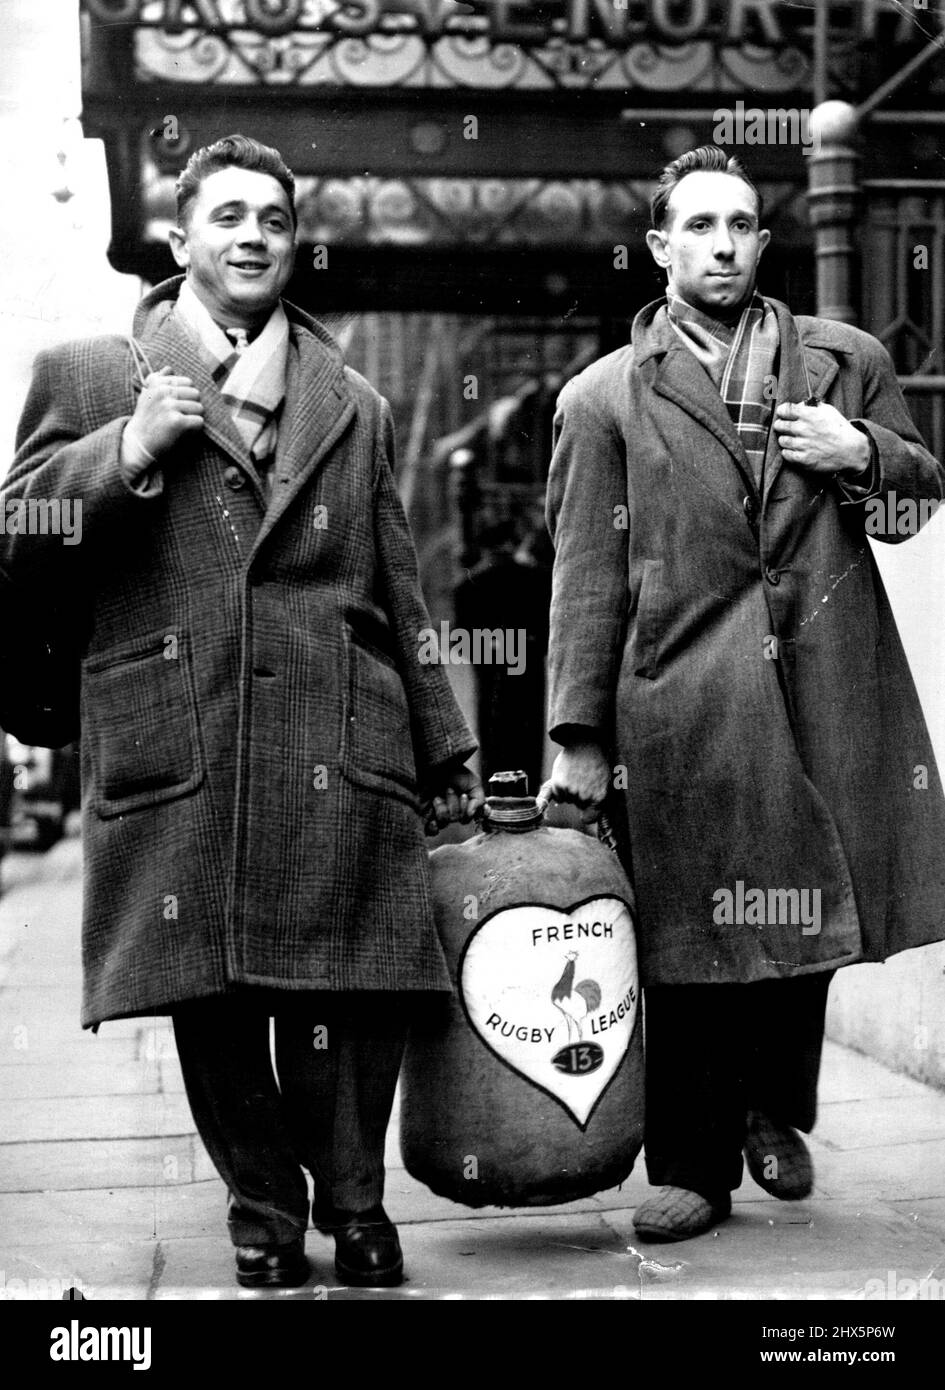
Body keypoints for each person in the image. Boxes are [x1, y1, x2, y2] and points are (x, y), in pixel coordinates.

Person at [2, 133, 483, 1288]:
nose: (253, 235)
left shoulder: (353, 399)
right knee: (209, 987)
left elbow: (400, 579)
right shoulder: (89, 371)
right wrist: (127, 449)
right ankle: (264, 1207)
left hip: (339, 716)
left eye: (272, 216)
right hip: (185, 718)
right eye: (228, 216)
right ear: (181, 240)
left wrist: (446, 740)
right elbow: (19, 532)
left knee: (361, 972)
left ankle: (358, 1203)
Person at [544, 145, 945, 1242]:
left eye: (742, 226)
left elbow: (917, 505)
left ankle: (777, 1107)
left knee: (809, 897)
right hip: (679, 695)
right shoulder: (602, 400)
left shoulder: (845, 361)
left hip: (821, 677)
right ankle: (691, 1164)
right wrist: (576, 737)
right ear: (661, 246)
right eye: (700, 228)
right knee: (688, 935)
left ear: (765, 244)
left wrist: (860, 449)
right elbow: (582, 578)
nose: (723, 245)